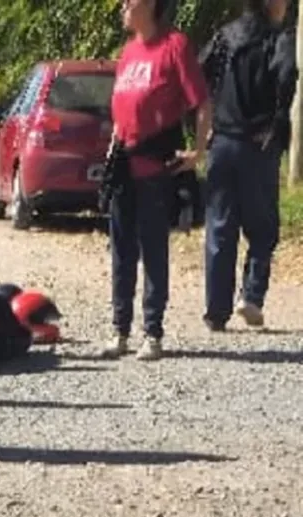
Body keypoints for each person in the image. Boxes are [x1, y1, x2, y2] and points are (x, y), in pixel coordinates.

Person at [102, 0, 211, 361]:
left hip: (155, 168)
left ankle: (153, 331)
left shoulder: (174, 46)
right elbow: (120, 110)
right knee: (120, 250)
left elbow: (201, 103)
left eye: (129, 1)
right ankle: (120, 329)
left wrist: (197, 151)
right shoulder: (129, 52)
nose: (122, 6)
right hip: (123, 166)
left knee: (153, 249)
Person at [199, 0, 295, 331]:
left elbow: (200, 74)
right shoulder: (278, 39)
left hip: (222, 143)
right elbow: (285, 78)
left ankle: (215, 310)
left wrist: (207, 121)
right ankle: (251, 295)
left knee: (220, 227)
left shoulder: (225, 36)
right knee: (263, 227)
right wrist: (279, 122)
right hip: (258, 143)